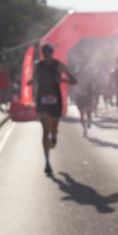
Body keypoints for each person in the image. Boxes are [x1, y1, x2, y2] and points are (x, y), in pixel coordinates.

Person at [27, 43, 77, 175]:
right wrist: (32, 81)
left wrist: (62, 80)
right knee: (45, 131)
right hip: (42, 100)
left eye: (49, 52)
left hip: (55, 101)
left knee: (53, 128)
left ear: (52, 53)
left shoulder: (59, 65)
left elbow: (73, 80)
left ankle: (54, 136)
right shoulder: (38, 65)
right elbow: (34, 78)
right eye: (45, 53)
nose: (47, 55)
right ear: (43, 53)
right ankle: (47, 162)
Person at [72, 62, 98, 135]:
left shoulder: (90, 74)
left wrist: (93, 87)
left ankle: (89, 119)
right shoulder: (76, 75)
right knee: (81, 113)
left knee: (89, 110)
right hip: (79, 95)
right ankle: (84, 129)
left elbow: (95, 82)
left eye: (84, 67)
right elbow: (72, 83)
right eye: (81, 67)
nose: (83, 68)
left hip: (88, 95)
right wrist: (73, 92)